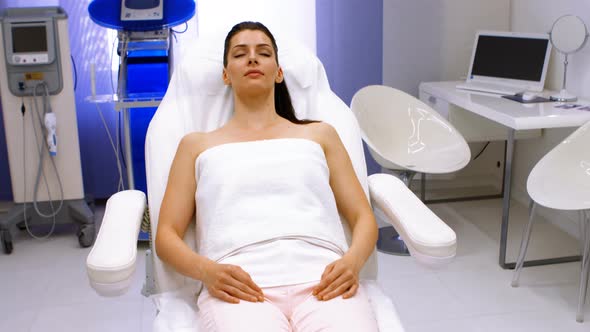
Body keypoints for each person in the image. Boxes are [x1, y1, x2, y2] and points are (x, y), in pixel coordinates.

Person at [155, 21, 379, 331]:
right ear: (225, 74)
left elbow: (362, 216)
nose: (252, 59)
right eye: (239, 54)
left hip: (325, 280)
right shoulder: (196, 146)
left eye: (263, 52)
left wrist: (352, 263)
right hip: (239, 287)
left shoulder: (320, 135)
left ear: (279, 72)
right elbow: (166, 235)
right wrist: (208, 272)